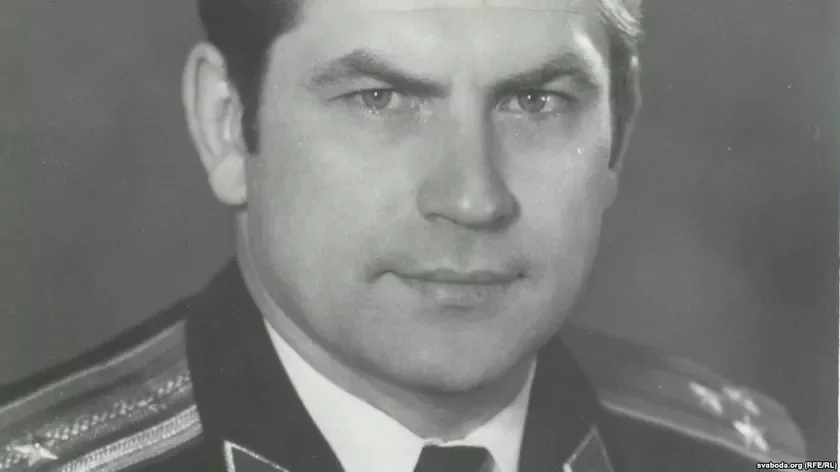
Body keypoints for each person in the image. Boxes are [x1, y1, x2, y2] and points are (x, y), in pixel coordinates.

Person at [0, 0, 808, 470]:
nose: (473, 197)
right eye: (379, 99)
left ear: (616, 141)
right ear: (227, 125)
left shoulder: (749, 454)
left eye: (535, 103)